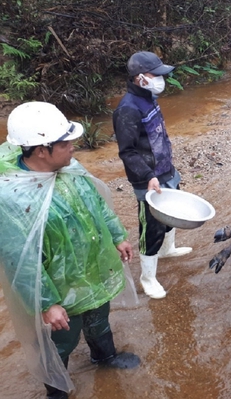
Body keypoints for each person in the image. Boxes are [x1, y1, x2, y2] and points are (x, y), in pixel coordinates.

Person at [0, 102, 140, 399]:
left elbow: (97, 204)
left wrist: (118, 236)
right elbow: (20, 261)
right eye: (65, 143)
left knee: (99, 319)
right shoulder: (11, 197)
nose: (73, 147)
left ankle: (105, 357)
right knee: (60, 340)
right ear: (41, 149)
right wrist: (47, 303)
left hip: (93, 268)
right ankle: (56, 391)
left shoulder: (67, 166)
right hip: (58, 286)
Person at [112, 51, 191, 300]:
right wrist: (147, 175)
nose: (160, 79)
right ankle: (147, 277)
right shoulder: (127, 109)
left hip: (165, 170)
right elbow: (127, 152)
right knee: (151, 227)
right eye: (154, 75)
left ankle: (168, 250)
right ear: (139, 78)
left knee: (172, 214)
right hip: (147, 179)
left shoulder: (149, 97)